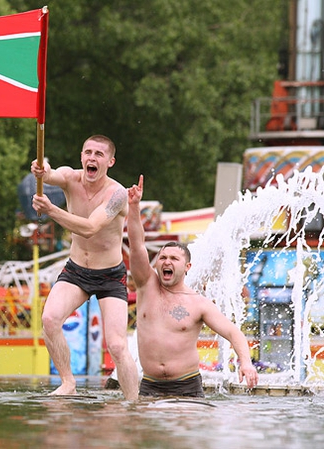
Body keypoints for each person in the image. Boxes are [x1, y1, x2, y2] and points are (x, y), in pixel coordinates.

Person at [127, 175, 258, 397]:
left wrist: (246, 363)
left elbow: (233, 332)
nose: (167, 262)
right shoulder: (146, 286)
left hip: (186, 386)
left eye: (174, 259)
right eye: (163, 257)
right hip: (149, 385)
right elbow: (137, 245)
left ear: (187, 267)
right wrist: (133, 207)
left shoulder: (199, 304)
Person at [30, 134, 139, 399]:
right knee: (49, 319)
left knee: (116, 345)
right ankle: (68, 382)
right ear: (81, 157)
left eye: (99, 154)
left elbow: (90, 228)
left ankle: (134, 401)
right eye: (88, 152)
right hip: (76, 270)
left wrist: (51, 210)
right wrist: (39, 169)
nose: (92, 158)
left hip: (110, 276)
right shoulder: (70, 177)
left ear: (110, 162)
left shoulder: (117, 194)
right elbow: (51, 174)